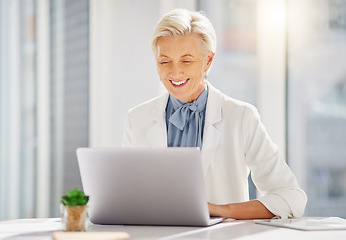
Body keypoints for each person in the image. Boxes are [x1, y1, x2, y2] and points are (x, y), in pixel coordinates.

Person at [122, 9, 307, 219]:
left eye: (186, 60)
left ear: (208, 61)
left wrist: (222, 210)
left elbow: (292, 198)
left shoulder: (241, 117)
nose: (174, 72)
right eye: (164, 61)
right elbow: (128, 197)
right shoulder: (136, 120)